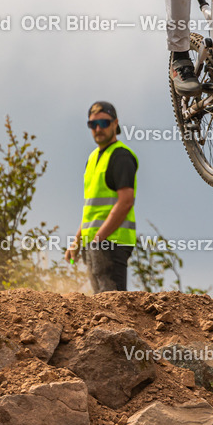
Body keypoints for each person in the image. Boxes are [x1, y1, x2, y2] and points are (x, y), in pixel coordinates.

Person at [65, 101, 138, 292]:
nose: (98, 129)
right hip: (95, 244)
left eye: (104, 123)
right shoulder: (92, 158)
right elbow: (91, 210)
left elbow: (126, 201)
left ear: (115, 124)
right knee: (101, 307)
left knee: (113, 308)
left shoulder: (121, 156)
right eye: (93, 124)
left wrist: (99, 238)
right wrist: (77, 242)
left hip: (112, 243)